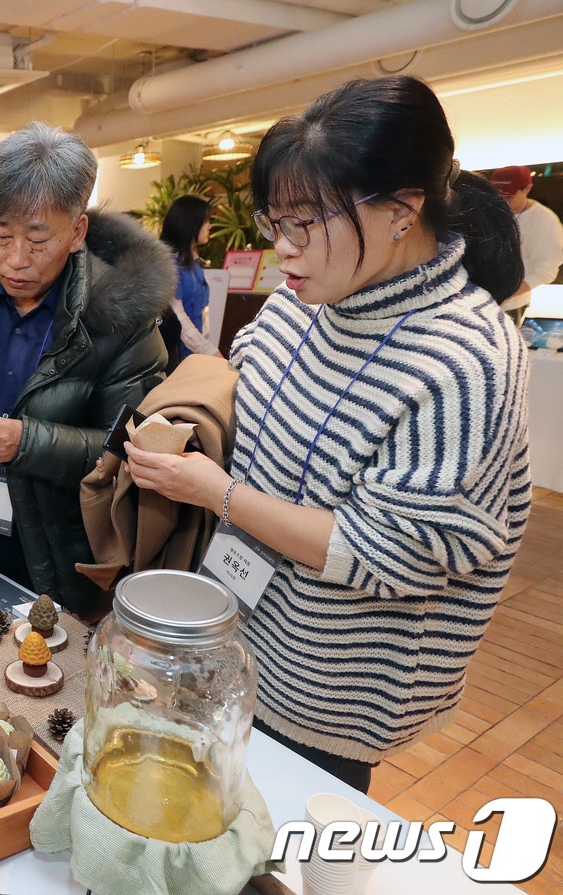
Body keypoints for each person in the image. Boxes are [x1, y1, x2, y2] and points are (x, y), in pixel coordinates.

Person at [125, 76, 529, 793]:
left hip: (331, 687)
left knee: (290, 850)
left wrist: (218, 492)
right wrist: (189, 428)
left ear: (402, 211)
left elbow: (391, 553)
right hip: (235, 638)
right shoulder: (298, 304)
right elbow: (245, 394)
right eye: (273, 224)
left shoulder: (466, 358)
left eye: (304, 226)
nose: (284, 252)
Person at [0, 122, 173, 615]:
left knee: (42, 675)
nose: (15, 260)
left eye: (38, 239)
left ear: (77, 231)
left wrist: (27, 442)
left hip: (57, 545)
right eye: (2, 235)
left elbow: (128, 447)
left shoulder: (122, 320)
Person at [490, 164, 563, 324]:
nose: (502, 200)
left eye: (508, 196)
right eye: (498, 195)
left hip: (511, 304)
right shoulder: (492, 211)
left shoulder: (544, 220)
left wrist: (507, 294)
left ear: (527, 188)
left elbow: (546, 269)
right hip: (479, 299)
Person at [158, 195, 221, 367]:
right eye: (206, 220)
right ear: (191, 223)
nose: (209, 225)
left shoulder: (193, 263)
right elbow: (179, 318)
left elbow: (202, 314)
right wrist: (210, 352)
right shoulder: (168, 263)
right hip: (175, 360)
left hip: (195, 357)